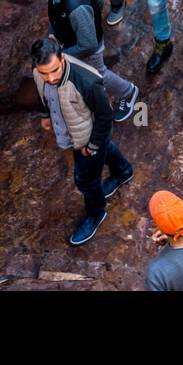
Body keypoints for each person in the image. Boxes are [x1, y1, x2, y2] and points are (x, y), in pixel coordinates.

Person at [30, 37, 134, 246]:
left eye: (55, 70)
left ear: (62, 57)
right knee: (105, 151)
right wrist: (45, 114)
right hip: (74, 132)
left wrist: (92, 146)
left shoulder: (87, 81)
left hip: (88, 139)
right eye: (44, 73)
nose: (50, 78)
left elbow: (105, 116)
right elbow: (43, 93)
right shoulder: (38, 72)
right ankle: (123, 170)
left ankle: (96, 213)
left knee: (85, 180)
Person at [27, 0, 138, 122]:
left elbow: (89, 45)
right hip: (72, 36)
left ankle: (128, 92)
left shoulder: (75, 6)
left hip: (85, 44)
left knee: (99, 75)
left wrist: (61, 56)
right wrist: (53, 34)